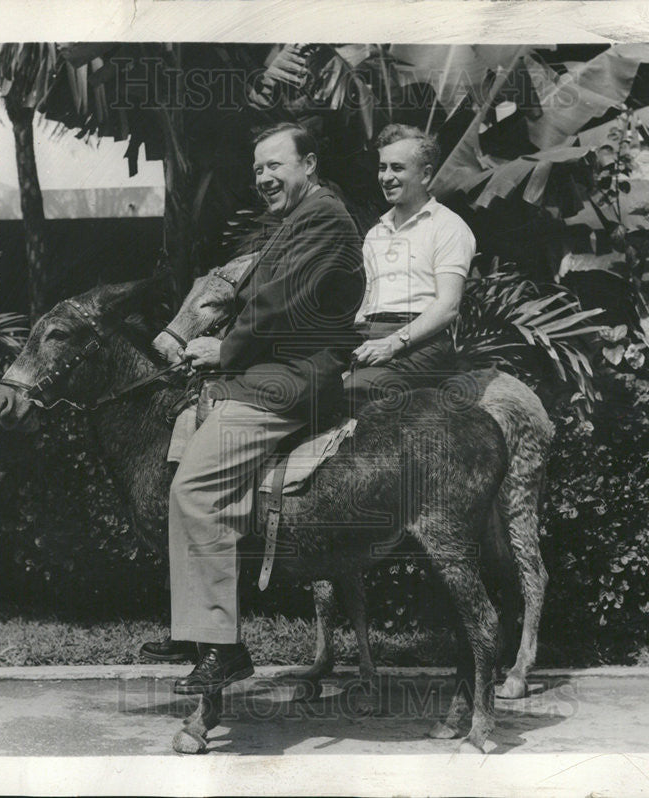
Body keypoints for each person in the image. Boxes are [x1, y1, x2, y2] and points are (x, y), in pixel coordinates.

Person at [145, 123, 364, 693]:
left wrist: (224, 350)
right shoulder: (297, 219)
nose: (265, 178)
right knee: (182, 449)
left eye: (276, 166)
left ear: (309, 164)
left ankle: (222, 646)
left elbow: (279, 303)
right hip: (267, 372)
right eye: (258, 169)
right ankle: (194, 619)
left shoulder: (323, 218)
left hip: (288, 382)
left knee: (193, 489)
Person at [343, 124, 476, 410]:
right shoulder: (376, 232)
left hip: (419, 342)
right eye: (382, 168)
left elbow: (449, 306)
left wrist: (394, 342)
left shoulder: (448, 226)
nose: (386, 178)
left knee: (354, 392)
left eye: (397, 168)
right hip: (370, 335)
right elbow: (365, 300)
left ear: (425, 174)